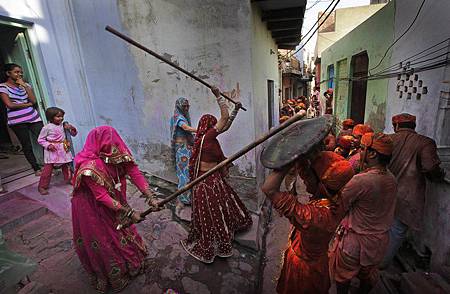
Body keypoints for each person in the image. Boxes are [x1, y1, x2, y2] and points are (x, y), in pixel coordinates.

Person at [71, 126, 158, 293]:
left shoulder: (118, 154)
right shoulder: (89, 167)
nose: (115, 158)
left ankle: (131, 262)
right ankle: (115, 274)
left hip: (114, 198)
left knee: (122, 230)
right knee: (105, 236)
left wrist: (150, 196)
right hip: (91, 206)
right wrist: (130, 213)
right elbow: (101, 196)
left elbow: (133, 171)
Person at [262, 151, 354, 294]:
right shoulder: (337, 197)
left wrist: (287, 158)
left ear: (322, 185)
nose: (304, 179)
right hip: (318, 261)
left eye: (309, 176)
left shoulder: (315, 217)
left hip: (303, 271)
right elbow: (311, 175)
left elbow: (269, 189)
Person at [181, 86, 252, 263]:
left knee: (216, 211)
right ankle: (215, 243)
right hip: (207, 182)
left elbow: (225, 126)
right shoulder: (208, 138)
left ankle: (220, 238)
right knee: (214, 213)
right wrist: (218, 96)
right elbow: (224, 119)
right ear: (209, 126)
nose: (216, 127)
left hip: (210, 180)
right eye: (213, 125)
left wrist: (235, 110)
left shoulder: (204, 136)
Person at [328, 132, 397, 294]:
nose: (359, 152)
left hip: (356, 242)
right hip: (379, 242)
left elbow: (339, 205)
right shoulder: (391, 178)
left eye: (362, 148)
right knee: (367, 275)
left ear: (372, 153)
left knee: (343, 277)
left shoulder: (361, 181)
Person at [380, 113, 445, 268]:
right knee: (396, 230)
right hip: (407, 196)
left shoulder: (386, 139)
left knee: (381, 227)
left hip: (383, 191)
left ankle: (372, 263)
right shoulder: (425, 142)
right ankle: (380, 266)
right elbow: (430, 167)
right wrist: (438, 175)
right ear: (414, 126)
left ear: (396, 126)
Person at [0, 63, 43, 175]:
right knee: (27, 145)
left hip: (33, 118)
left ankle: (50, 165)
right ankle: (36, 168)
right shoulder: (3, 87)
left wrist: (24, 86)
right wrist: (26, 105)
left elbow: (33, 101)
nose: (19, 74)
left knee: (44, 140)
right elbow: (9, 105)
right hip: (17, 121)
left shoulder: (25, 85)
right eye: (16, 72)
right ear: (8, 73)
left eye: (21, 72)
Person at [37, 107, 77, 195]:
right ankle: (42, 186)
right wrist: (48, 145)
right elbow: (40, 140)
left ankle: (70, 180)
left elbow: (73, 134)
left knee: (66, 166)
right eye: (58, 116)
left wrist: (72, 128)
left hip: (63, 149)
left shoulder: (64, 125)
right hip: (52, 151)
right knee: (48, 169)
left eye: (62, 116)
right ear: (51, 117)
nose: (61, 118)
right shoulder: (46, 128)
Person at [170, 97, 196, 206]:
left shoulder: (182, 116)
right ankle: (184, 198)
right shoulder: (178, 117)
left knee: (187, 172)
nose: (186, 108)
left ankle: (189, 196)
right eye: (184, 106)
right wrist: (199, 129)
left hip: (185, 148)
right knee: (184, 173)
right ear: (179, 106)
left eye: (187, 106)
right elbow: (185, 127)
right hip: (182, 149)